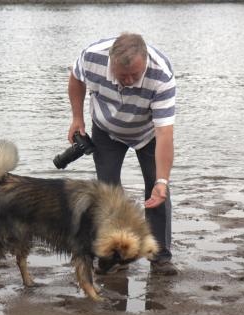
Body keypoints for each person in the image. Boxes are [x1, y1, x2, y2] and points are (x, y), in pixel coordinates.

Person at [67, 33, 176, 275]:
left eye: (135, 75)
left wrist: (162, 181)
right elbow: (76, 78)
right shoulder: (92, 57)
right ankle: (113, 255)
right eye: (122, 75)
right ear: (110, 62)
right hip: (106, 129)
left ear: (145, 63)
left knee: (157, 191)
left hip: (149, 133)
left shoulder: (161, 75)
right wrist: (77, 118)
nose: (128, 80)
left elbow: (165, 134)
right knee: (109, 192)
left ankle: (160, 257)